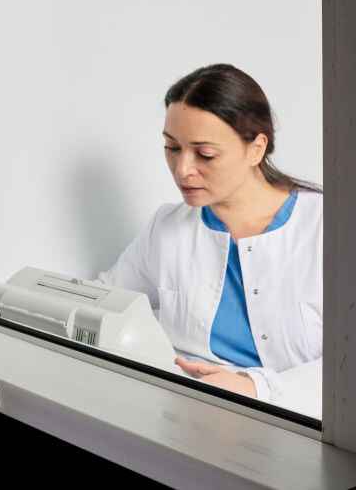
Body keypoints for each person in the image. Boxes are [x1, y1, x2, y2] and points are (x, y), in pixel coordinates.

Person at [97, 64, 322, 417]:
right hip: (186, 412)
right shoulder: (167, 226)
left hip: (297, 424)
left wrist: (255, 387)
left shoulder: (328, 229)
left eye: (205, 154)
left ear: (256, 148)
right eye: (172, 148)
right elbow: (105, 303)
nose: (183, 169)